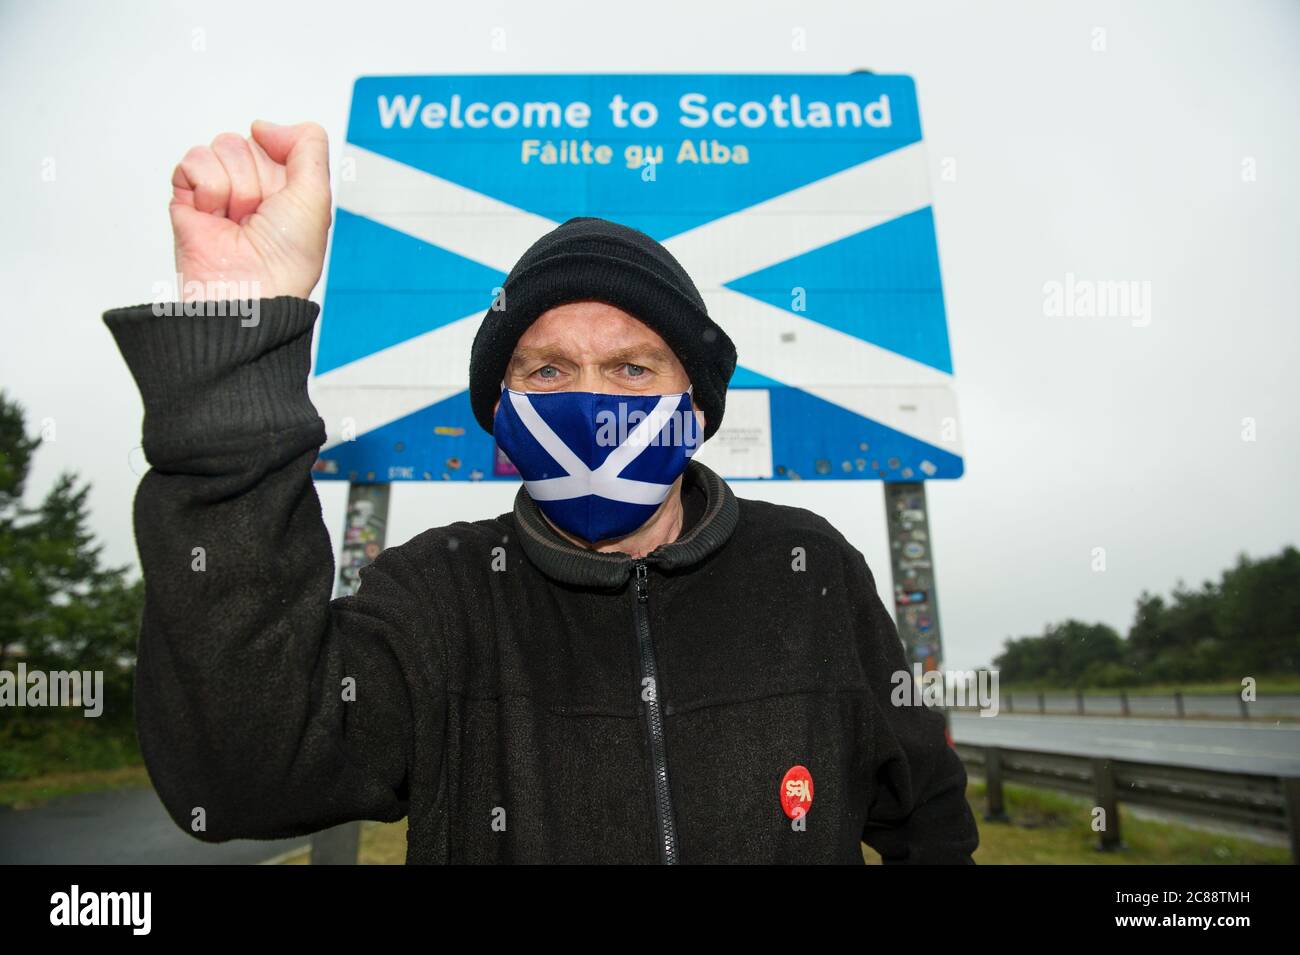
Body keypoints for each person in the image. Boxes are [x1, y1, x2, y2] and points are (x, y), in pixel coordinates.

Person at [103, 119, 979, 864]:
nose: (593, 399)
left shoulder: (808, 570)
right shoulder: (436, 595)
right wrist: (235, 341)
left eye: (634, 366)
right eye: (549, 368)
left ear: (695, 403)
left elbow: (929, 820)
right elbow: (243, 772)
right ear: (504, 414)